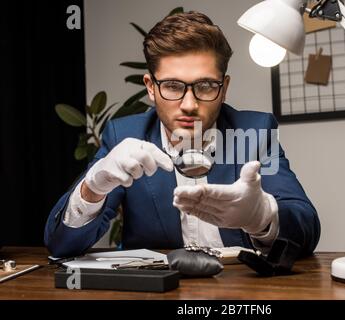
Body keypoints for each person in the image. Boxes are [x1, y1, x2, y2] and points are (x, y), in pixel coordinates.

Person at [44, 11, 320, 258]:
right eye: (173, 86)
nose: (189, 104)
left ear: (223, 89)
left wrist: (262, 217)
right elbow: (60, 245)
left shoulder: (255, 131)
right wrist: (93, 188)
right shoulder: (123, 135)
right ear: (151, 87)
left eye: (205, 85)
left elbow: (306, 227)